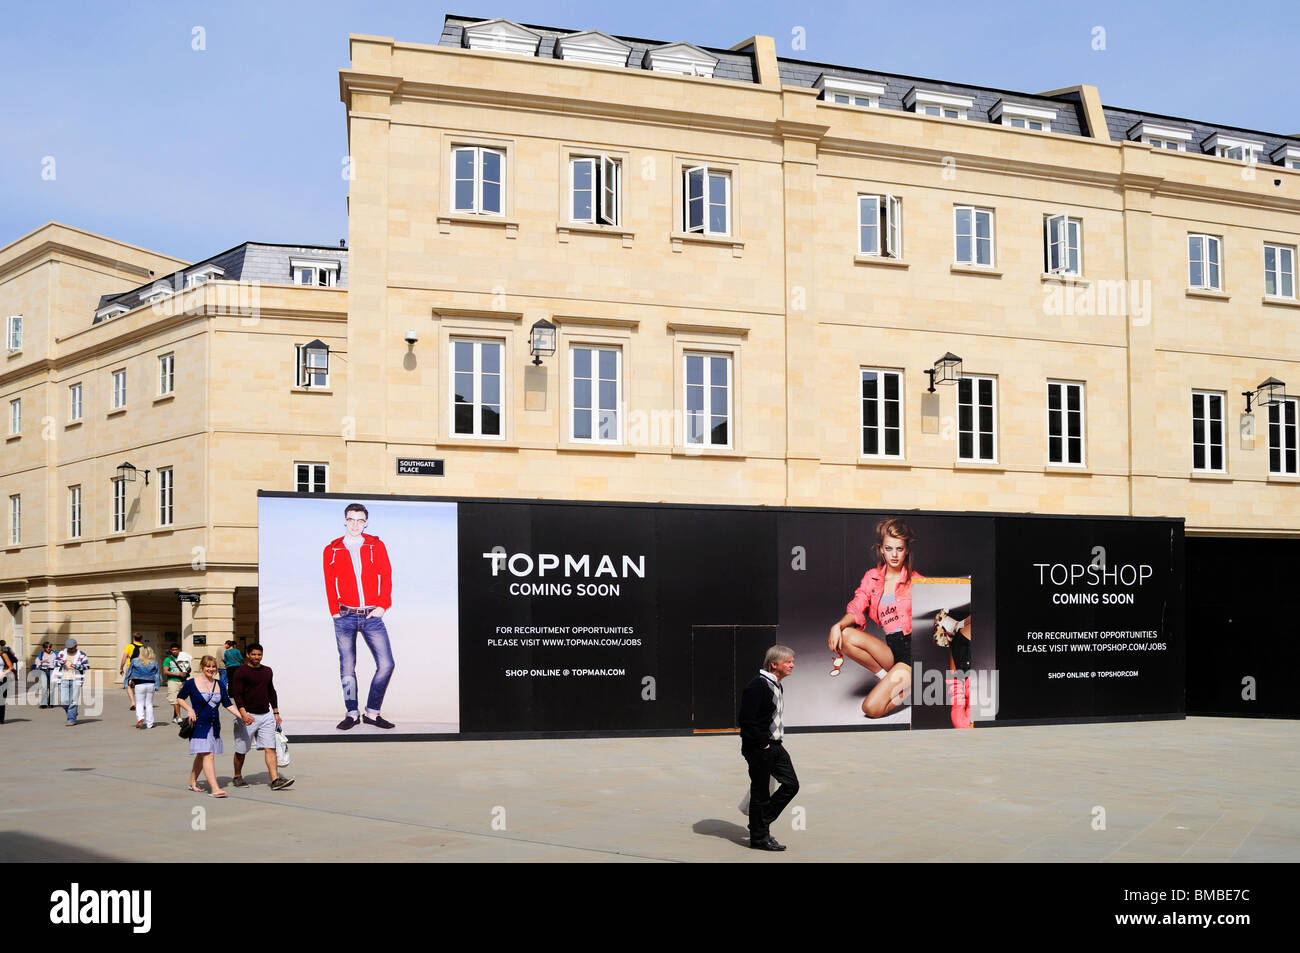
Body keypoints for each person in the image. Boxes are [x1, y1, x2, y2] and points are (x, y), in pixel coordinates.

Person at [828, 517, 923, 719]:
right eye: (889, 548)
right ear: (881, 550)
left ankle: (913, 686)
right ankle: (887, 678)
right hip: (893, 650)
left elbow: (933, 619)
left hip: (914, 655)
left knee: (871, 708)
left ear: (906, 550)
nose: (894, 554)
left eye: (899, 549)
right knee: (845, 636)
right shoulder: (872, 577)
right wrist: (838, 625)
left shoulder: (917, 581)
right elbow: (857, 606)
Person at [323, 503, 396, 730]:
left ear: (366, 523)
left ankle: (372, 713)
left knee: (387, 664)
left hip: (372, 615)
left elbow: (386, 575)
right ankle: (352, 713)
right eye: (351, 519)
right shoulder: (332, 549)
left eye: (360, 520)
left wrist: (383, 605)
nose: (355, 524)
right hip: (344, 615)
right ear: (345, 520)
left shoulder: (376, 545)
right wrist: (334, 611)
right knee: (347, 667)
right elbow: (329, 582)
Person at [738, 644, 799, 851]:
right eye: (788, 662)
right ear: (774, 664)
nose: (792, 665)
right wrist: (762, 743)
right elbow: (746, 719)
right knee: (761, 792)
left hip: (775, 745)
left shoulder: (776, 685)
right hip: (760, 747)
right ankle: (759, 838)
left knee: (791, 785)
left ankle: (759, 824)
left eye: (792, 661)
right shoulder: (758, 685)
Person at [178, 656, 246, 797]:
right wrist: (189, 709)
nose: (211, 669)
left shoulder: (219, 684)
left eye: (213, 666)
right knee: (208, 755)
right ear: (202, 667)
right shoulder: (191, 683)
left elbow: (227, 704)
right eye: (208, 666)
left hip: (214, 725)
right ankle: (215, 789)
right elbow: (180, 697)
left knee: (201, 755)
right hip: (199, 725)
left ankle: (192, 781)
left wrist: (242, 716)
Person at [230, 644, 294, 789]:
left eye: (259, 654)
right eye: (253, 654)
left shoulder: (267, 671)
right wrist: (243, 714)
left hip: (266, 716)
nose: (257, 657)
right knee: (241, 750)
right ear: (247, 654)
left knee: (270, 748)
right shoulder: (241, 672)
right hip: (247, 716)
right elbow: (237, 694)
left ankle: (275, 780)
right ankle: (237, 776)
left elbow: (271, 691)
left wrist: (276, 713)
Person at [53, 639, 90, 726]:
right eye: (68, 648)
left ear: (76, 646)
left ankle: (71, 719)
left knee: (73, 700)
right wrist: (60, 662)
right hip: (63, 679)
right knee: (63, 701)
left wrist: (77, 666)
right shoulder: (62, 653)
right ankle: (73, 712)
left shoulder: (82, 654)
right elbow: (54, 663)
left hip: (76, 680)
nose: (70, 650)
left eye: (71, 648)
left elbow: (86, 666)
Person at [127, 646, 160, 729]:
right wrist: (157, 685)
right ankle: (150, 724)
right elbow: (157, 674)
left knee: (139, 703)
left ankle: (140, 718)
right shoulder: (154, 662)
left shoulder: (135, 661)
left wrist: (126, 682)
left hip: (139, 684)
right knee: (149, 704)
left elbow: (129, 672)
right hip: (150, 684)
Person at [162, 644, 188, 723]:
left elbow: (188, 668)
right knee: (174, 699)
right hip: (172, 681)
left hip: (182, 681)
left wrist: (186, 671)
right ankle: (179, 717)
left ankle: (175, 716)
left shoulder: (183, 659)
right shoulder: (167, 659)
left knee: (179, 699)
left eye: (176, 649)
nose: (175, 651)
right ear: (171, 650)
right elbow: (165, 671)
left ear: (179, 650)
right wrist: (178, 674)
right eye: (173, 650)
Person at [118, 633, 143, 711]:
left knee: (129, 685)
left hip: (131, 668)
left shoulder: (129, 646)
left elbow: (124, 658)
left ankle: (133, 703)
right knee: (139, 685)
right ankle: (140, 703)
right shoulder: (144, 647)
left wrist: (121, 668)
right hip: (141, 668)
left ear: (133, 638)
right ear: (141, 638)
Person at [33, 642, 57, 709]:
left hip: (53, 671)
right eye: (46, 647)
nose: (48, 648)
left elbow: (59, 661)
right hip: (44, 671)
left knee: (52, 688)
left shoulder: (55, 653)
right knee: (44, 687)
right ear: (44, 648)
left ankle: (51, 702)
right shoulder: (41, 654)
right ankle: (43, 703)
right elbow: (36, 662)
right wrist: (42, 661)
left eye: (49, 647)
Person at [0, 642, 13, 724]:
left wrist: (3, 674)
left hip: (2, 679)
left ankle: (1, 719)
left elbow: (10, 667)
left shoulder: (3, 655)